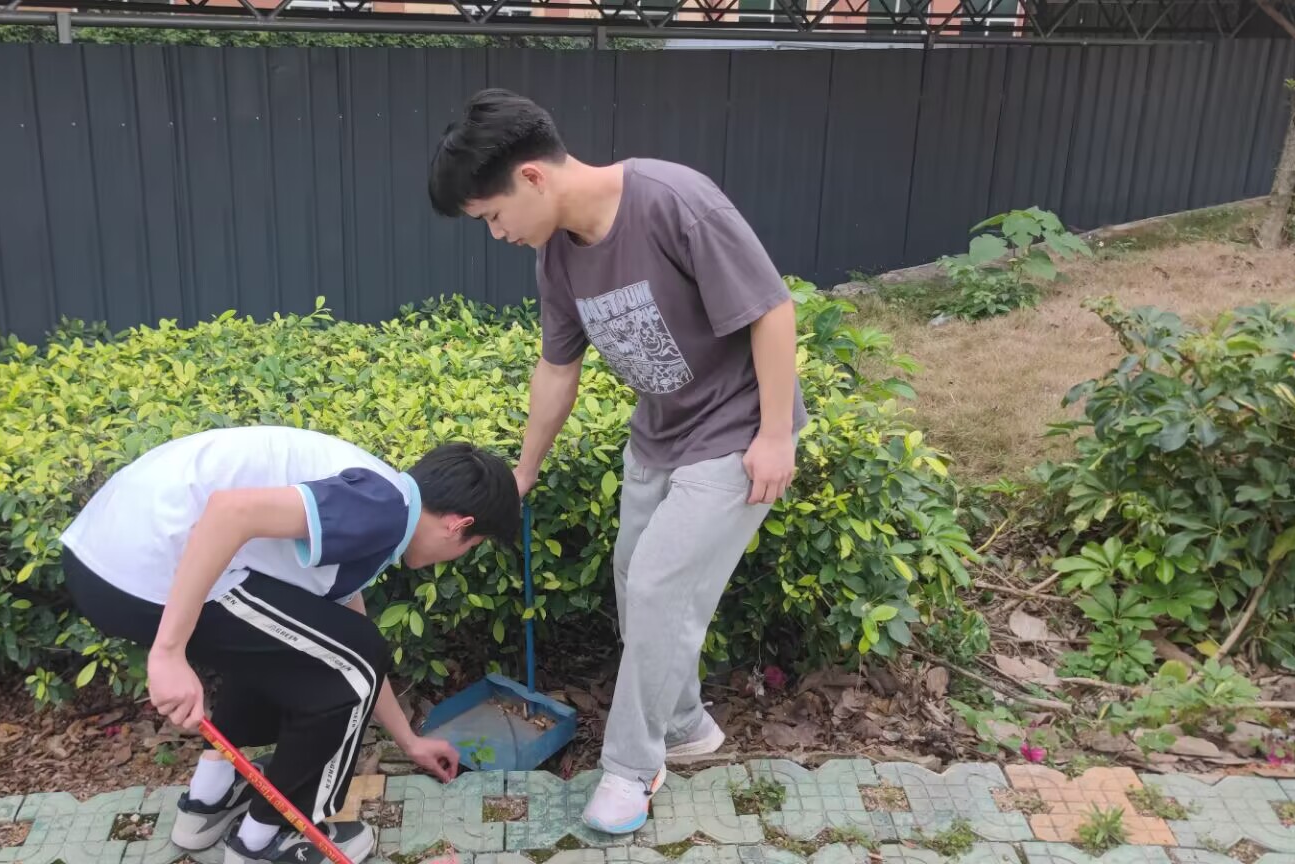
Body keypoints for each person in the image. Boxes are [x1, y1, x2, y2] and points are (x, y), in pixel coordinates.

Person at [427, 89, 808, 835]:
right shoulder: (558, 258)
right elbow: (556, 370)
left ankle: (632, 769)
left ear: (532, 177)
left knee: (661, 586)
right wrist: (523, 471)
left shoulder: (673, 201)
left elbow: (772, 308)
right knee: (636, 583)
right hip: (659, 435)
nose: (497, 233)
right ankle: (686, 725)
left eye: (493, 216)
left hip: (735, 432)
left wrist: (774, 435)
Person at [58, 425, 520, 864]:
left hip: (101, 558)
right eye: (472, 545)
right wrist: (168, 653)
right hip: (142, 572)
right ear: (458, 525)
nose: (457, 556)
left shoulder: (379, 503)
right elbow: (228, 512)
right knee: (345, 657)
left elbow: (345, 650)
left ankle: (208, 801)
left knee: (307, 649)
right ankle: (267, 839)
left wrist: (409, 741)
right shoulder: (382, 509)